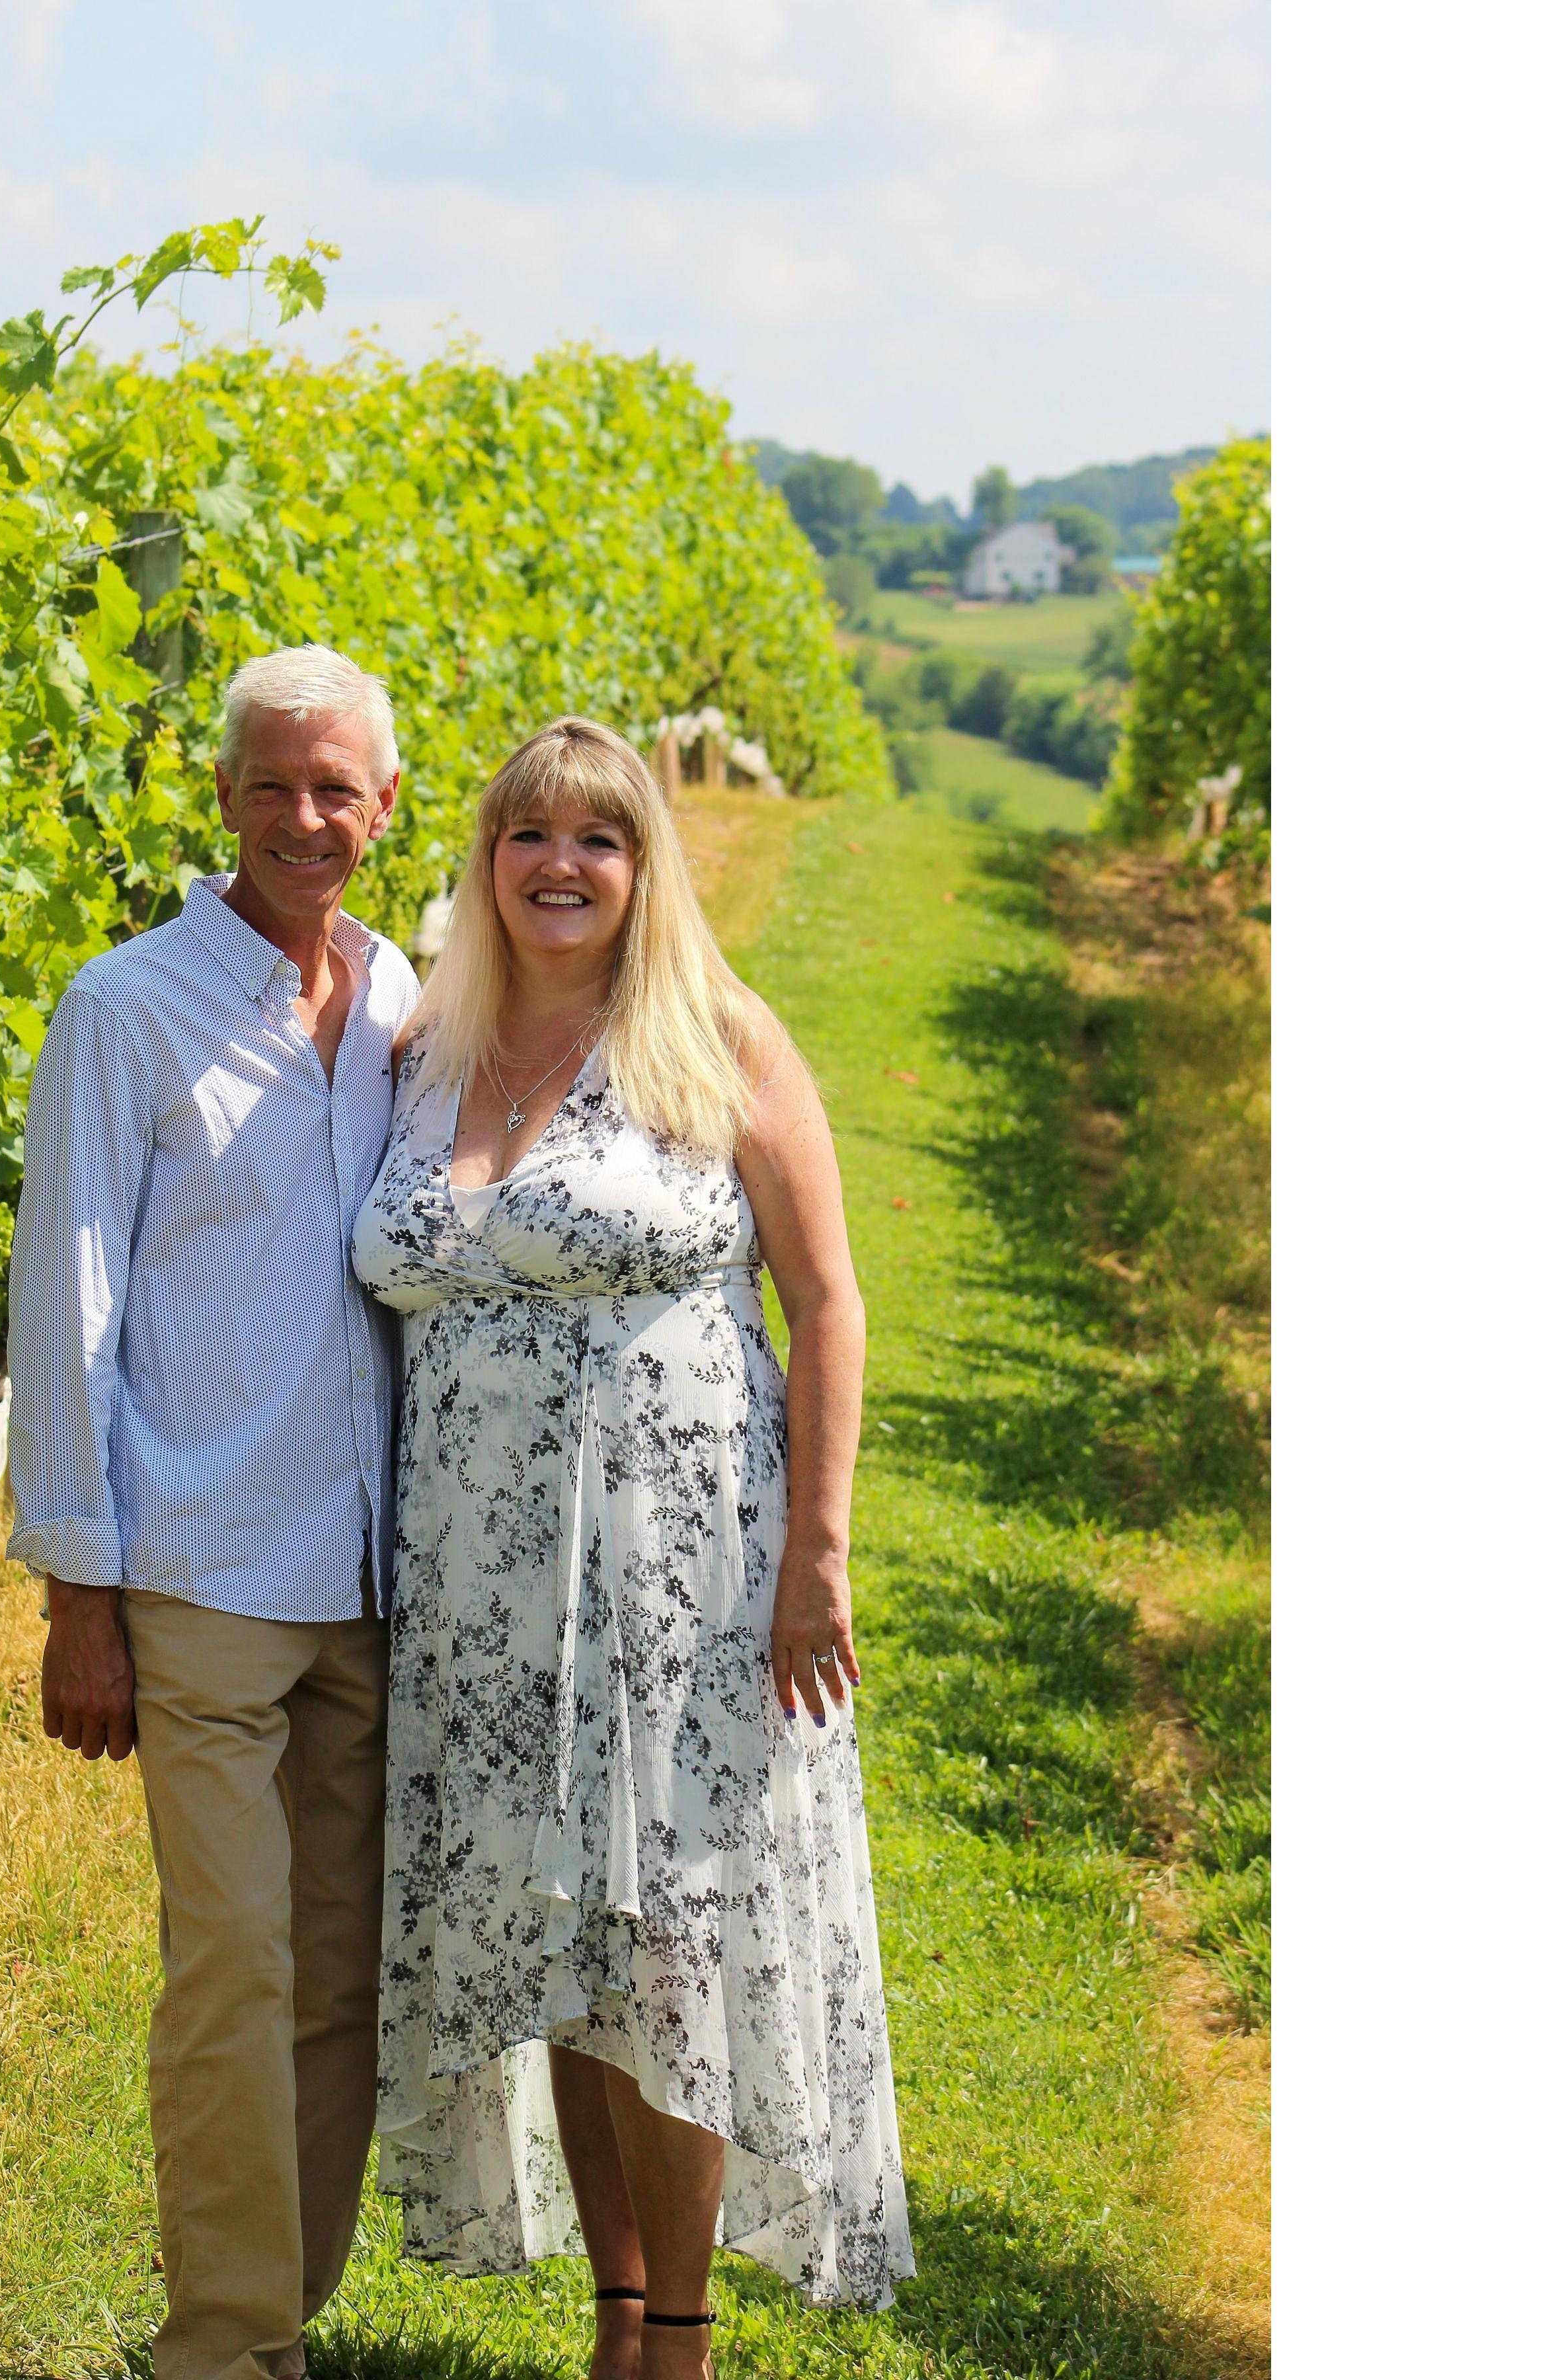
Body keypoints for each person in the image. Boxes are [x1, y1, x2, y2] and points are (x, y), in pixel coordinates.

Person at [350, 717, 915, 2373]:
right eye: (529, 837)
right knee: (561, 1938)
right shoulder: (421, 1053)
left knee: (671, 1928)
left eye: (599, 839)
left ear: (646, 865)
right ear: (487, 863)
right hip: (476, 1590)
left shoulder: (713, 1037)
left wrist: (820, 1553)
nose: (561, 867)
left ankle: (681, 2331)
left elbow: (826, 1300)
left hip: (683, 1570)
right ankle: (615, 2314)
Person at [6, 646, 421, 2380]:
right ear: (225, 795)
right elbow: (68, 1301)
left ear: (386, 807)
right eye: (277, 785)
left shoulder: (409, 1000)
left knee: (339, 1978)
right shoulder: (128, 1009)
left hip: (369, 1570)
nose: (307, 818)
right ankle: (223, 2345)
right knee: (232, 1964)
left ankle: (284, 2321)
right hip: (195, 1569)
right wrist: (76, 1594)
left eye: (340, 789)